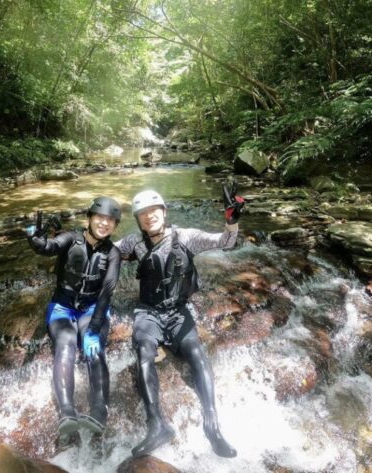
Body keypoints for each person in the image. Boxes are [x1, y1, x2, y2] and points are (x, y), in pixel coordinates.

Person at [115, 183, 245, 458]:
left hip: (178, 311)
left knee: (196, 352)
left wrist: (231, 222)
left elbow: (226, 242)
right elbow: (104, 250)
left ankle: (212, 425)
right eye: (143, 213)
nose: (149, 216)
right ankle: (157, 425)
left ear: (164, 212)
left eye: (154, 211)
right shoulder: (134, 243)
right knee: (144, 353)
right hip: (147, 312)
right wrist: (68, 241)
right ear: (138, 220)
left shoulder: (186, 237)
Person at [26, 197, 122, 447]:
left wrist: (93, 329)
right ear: (89, 218)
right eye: (99, 217)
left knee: (94, 349)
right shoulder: (70, 238)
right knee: (67, 344)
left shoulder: (113, 253)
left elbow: (107, 292)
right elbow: (49, 246)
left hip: (92, 307)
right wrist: (37, 242)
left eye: (110, 220)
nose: (104, 223)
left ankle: (100, 410)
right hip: (62, 306)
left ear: (115, 225)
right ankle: (67, 411)